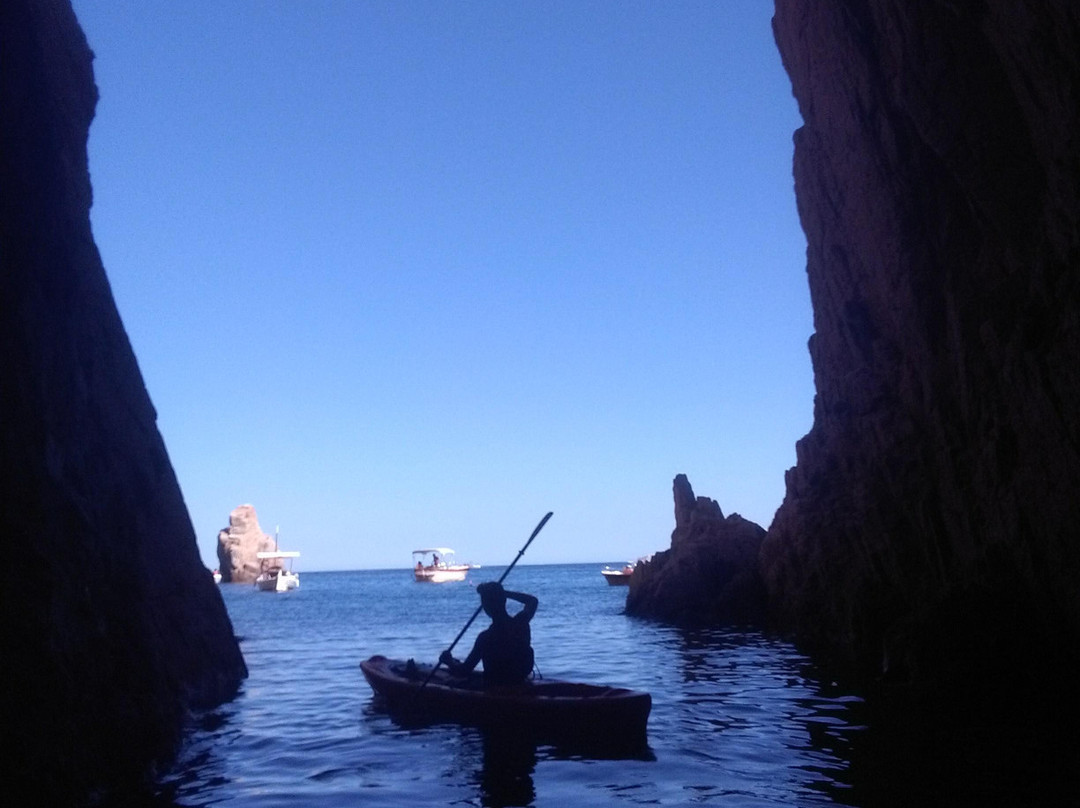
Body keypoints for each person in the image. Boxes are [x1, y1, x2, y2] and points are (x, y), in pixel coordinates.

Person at [440, 581, 537, 686]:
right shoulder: (521, 622)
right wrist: (504, 593)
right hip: (519, 683)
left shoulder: (485, 638)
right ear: (504, 600)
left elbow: (464, 671)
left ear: (485, 606)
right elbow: (532, 601)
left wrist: (448, 661)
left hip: (495, 689)